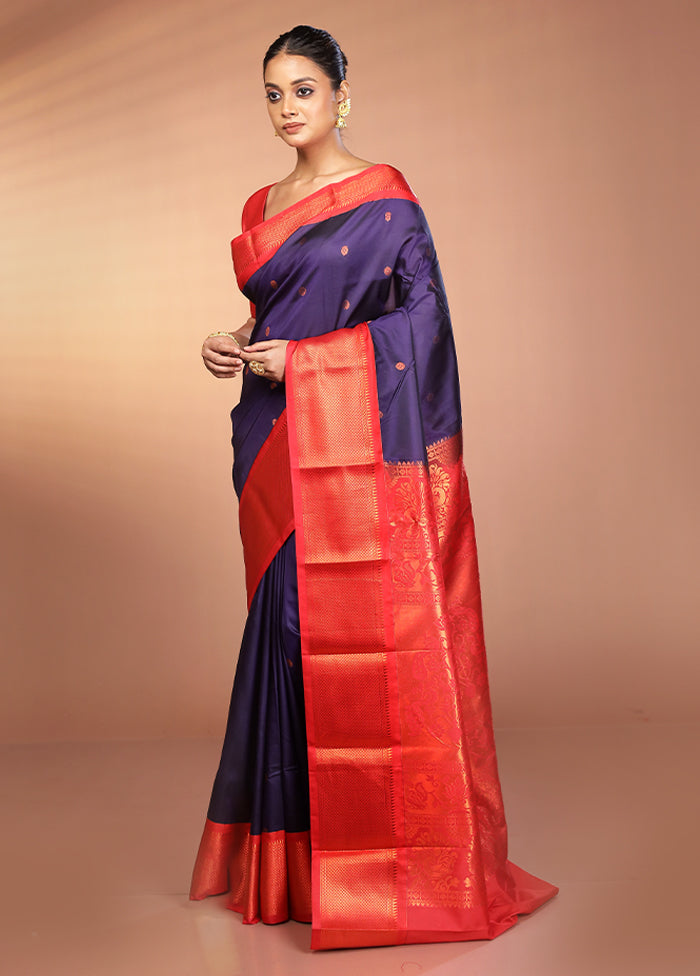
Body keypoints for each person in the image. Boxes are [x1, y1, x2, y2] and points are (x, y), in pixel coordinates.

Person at [190, 25, 558, 951]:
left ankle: (371, 867)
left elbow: (421, 332)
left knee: (340, 637)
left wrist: (307, 365)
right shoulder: (262, 202)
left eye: (303, 90)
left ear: (341, 94)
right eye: (273, 92)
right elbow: (278, 312)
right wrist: (236, 341)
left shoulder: (387, 201)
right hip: (274, 440)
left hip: (348, 445)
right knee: (282, 637)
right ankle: (293, 869)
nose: (287, 108)